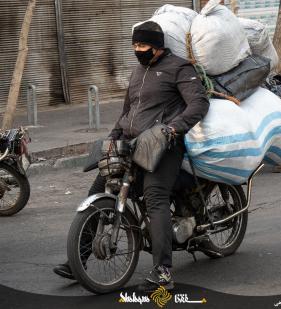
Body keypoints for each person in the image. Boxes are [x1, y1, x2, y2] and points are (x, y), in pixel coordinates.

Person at [53, 21, 209, 293]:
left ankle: (163, 272)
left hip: (163, 145)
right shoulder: (139, 71)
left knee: (154, 196)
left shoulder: (179, 68)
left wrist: (173, 128)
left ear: (158, 47)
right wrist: (113, 137)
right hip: (130, 143)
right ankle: (78, 259)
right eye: (135, 45)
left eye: (143, 45)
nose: (138, 50)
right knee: (99, 187)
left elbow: (199, 103)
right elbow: (128, 111)